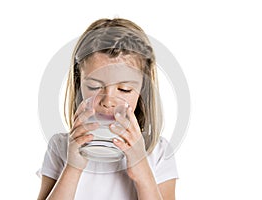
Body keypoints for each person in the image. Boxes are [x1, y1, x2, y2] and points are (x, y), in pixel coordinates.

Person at [37, 18, 178, 200]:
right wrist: (72, 167)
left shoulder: (158, 152)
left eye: (124, 89)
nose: (108, 101)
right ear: (79, 85)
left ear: (143, 89)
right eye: (95, 87)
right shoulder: (60, 147)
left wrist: (141, 168)